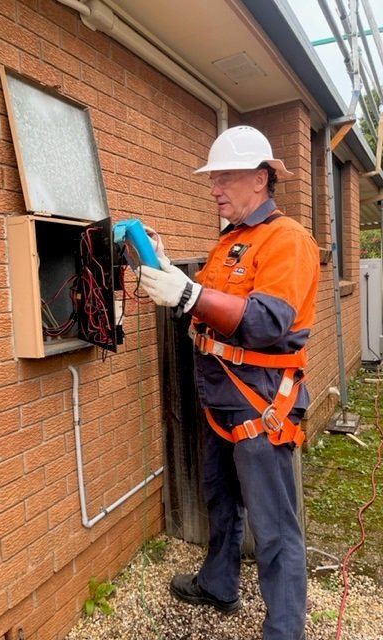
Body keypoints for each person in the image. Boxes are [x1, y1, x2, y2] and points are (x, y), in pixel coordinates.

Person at [139, 125, 320, 640]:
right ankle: (220, 583)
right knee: (220, 497)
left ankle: (286, 629)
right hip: (219, 397)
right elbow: (209, 311)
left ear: (261, 179)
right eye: (212, 179)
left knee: (275, 525)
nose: (214, 188)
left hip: (259, 402)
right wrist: (172, 276)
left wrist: (190, 296)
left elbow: (266, 321)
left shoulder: (288, 240)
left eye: (225, 178)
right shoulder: (230, 241)